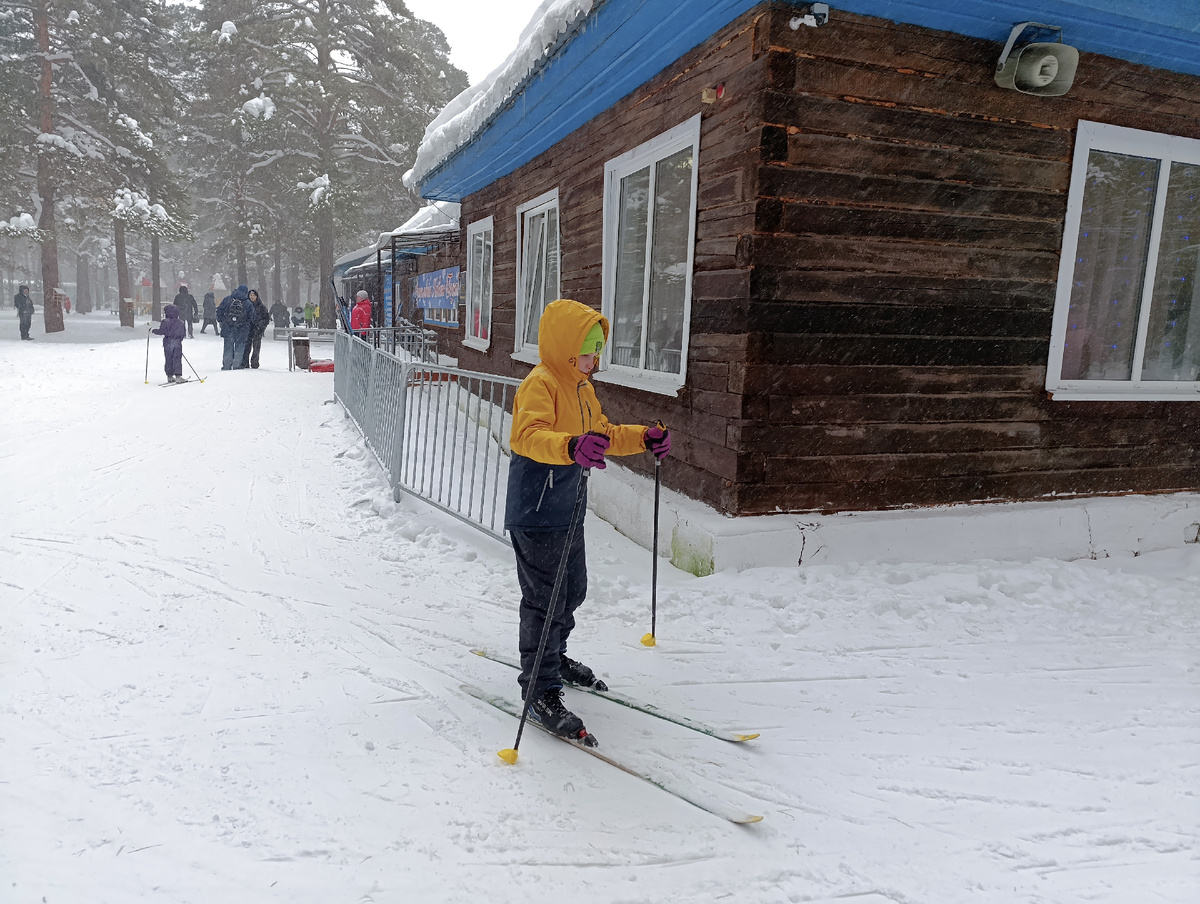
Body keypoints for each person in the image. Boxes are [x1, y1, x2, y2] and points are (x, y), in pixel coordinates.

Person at [504, 299, 671, 745]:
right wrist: (570, 447)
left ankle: (554, 659)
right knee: (545, 599)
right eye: (589, 350)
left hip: (568, 508)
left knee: (571, 590)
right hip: (536, 509)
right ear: (565, 347)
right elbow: (527, 435)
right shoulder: (540, 384)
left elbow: (604, 435)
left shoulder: (582, 388)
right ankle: (540, 690)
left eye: (598, 350)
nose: (595, 360)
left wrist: (644, 438)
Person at [216, 284, 253, 370]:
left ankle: (227, 365)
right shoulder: (247, 303)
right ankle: (237, 365)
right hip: (242, 329)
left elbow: (219, 311)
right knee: (240, 347)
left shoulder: (227, 299)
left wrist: (222, 321)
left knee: (228, 347)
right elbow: (252, 316)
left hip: (228, 328)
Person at [152, 303, 187, 383]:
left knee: (168, 359)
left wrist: (153, 330)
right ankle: (178, 376)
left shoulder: (165, 322)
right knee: (177, 358)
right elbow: (183, 334)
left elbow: (162, 331)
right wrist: (179, 339)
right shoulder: (181, 323)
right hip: (177, 342)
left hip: (167, 342)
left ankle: (169, 375)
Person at [241, 289, 269, 369]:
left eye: (254, 295)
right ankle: (245, 362)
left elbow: (266, 318)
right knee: (247, 347)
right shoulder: (245, 305)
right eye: (251, 295)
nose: (252, 297)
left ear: (257, 296)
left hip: (258, 330)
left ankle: (255, 363)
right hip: (248, 329)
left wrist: (261, 326)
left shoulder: (261, 306)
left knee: (256, 347)